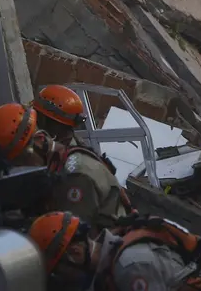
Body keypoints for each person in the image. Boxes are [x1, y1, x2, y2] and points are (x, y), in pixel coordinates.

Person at [29, 211, 201, 291]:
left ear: (75, 252)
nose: (63, 278)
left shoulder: (130, 267)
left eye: (59, 269)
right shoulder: (114, 260)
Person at [32, 84, 131, 231]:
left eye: (37, 118)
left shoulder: (76, 173)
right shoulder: (70, 145)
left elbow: (72, 233)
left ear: (47, 122)